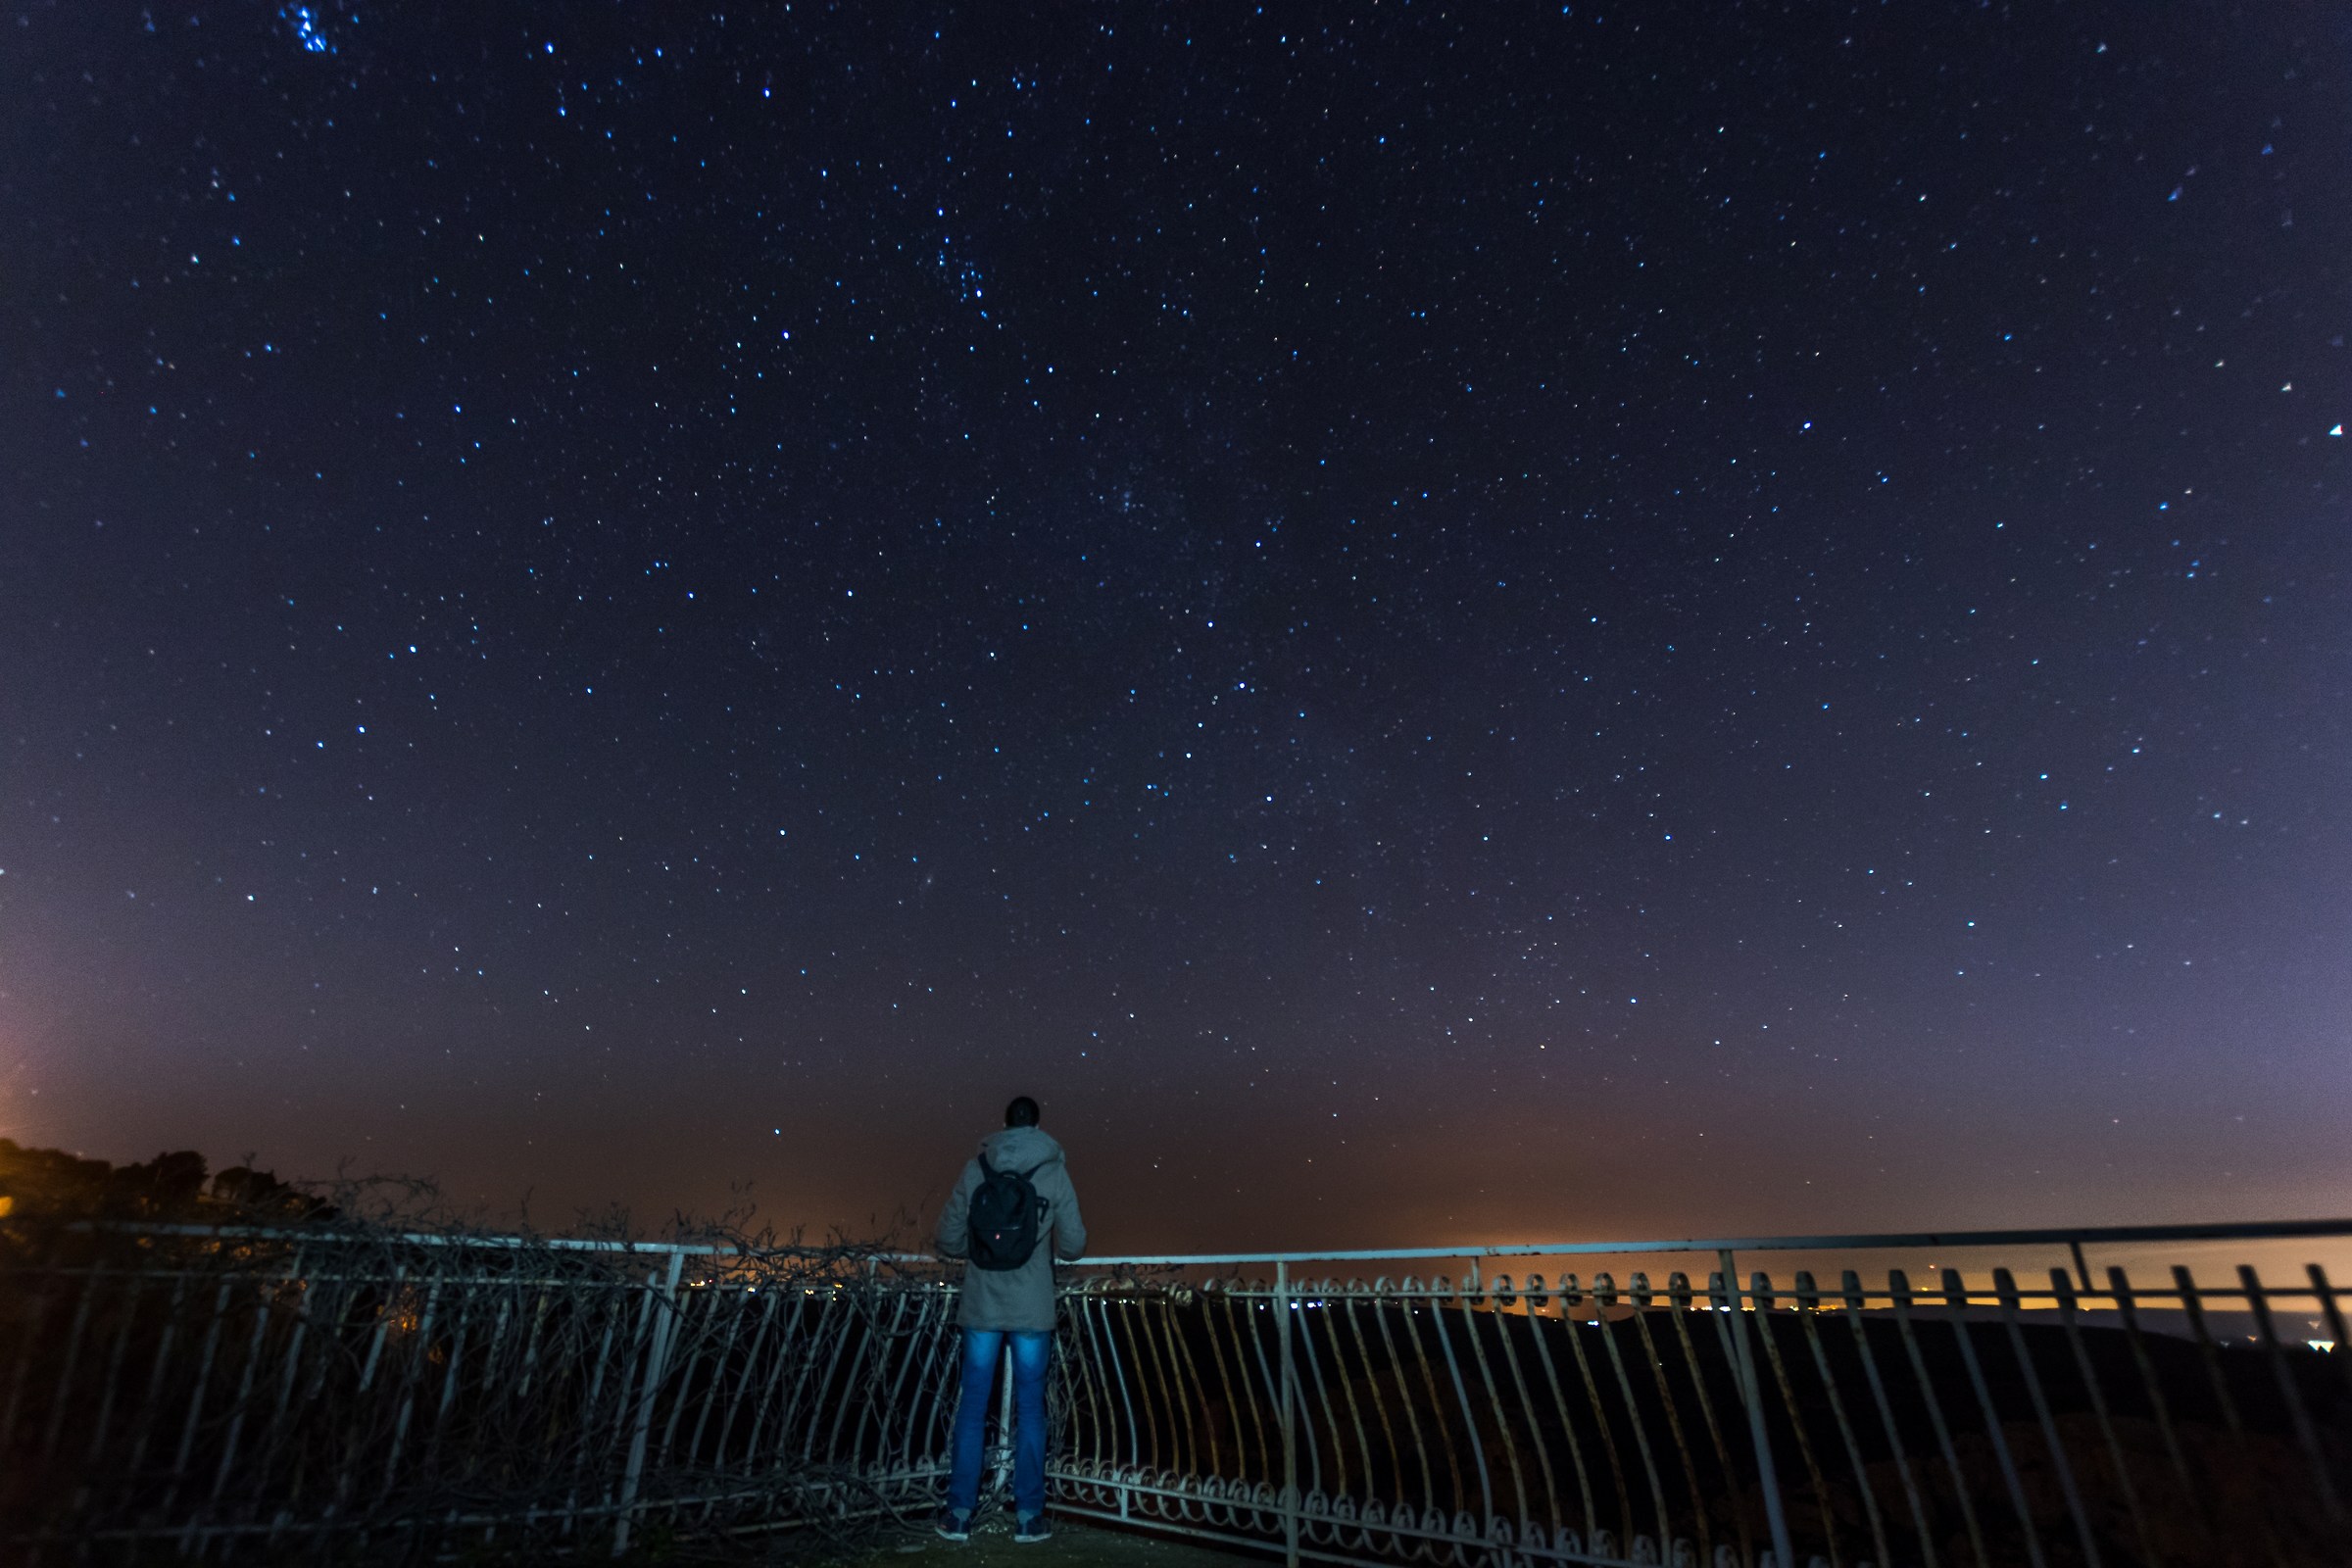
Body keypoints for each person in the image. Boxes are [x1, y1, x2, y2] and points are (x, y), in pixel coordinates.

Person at [930, 1095, 1086, 1544]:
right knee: (1031, 1410)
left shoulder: (977, 1168)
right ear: (1037, 1127)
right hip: (1032, 1307)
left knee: (973, 1405)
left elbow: (947, 1237)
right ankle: (1028, 1518)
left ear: (1003, 1125)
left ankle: (958, 1514)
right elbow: (1074, 1244)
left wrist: (980, 1253)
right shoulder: (1053, 1170)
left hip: (981, 1303)